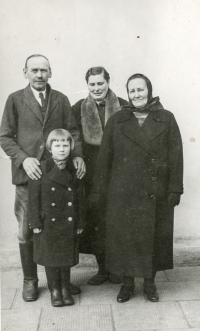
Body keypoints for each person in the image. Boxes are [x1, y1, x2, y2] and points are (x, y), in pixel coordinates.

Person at [90, 73, 183, 302]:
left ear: (149, 91)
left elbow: (176, 156)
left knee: (152, 239)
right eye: (132, 91)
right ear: (128, 94)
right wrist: (98, 191)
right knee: (125, 238)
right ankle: (127, 285)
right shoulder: (117, 120)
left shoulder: (166, 118)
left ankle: (150, 284)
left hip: (156, 192)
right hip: (122, 192)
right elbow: (104, 159)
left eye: (140, 90)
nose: (136, 94)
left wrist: (175, 189)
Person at [0, 54, 86, 302]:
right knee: (28, 230)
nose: (39, 75)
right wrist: (24, 159)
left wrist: (78, 155)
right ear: (25, 72)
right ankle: (31, 280)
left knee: (59, 229)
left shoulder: (60, 99)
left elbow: (72, 132)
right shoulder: (15, 99)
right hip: (29, 177)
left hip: (57, 178)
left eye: (44, 70)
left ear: (51, 73)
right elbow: (5, 136)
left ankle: (61, 282)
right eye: (34, 70)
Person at [72, 67, 128, 285]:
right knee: (97, 222)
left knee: (119, 220)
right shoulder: (78, 108)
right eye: (92, 84)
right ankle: (103, 269)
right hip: (92, 176)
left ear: (108, 82)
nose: (96, 88)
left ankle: (120, 269)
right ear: (87, 85)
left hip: (120, 174)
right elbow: (73, 138)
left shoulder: (124, 106)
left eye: (100, 83)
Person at [28, 129, 85, 307]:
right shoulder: (41, 168)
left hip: (68, 222)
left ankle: (65, 288)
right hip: (47, 223)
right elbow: (33, 199)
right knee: (50, 258)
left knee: (65, 257)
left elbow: (80, 199)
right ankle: (55, 290)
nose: (61, 149)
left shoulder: (74, 169)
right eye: (57, 145)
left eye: (65, 145)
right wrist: (35, 222)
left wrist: (80, 221)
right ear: (49, 148)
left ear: (71, 147)